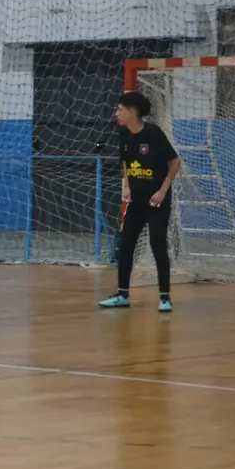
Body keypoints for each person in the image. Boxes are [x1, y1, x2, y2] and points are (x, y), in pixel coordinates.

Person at [99, 91, 180, 312]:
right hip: (136, 202)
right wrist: (126, 184)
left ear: (133, 112)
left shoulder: (153, 134)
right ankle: (122, 294)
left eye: (120, 109)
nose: (117, 113)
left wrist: (163, 191)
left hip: (156, 202)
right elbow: (125, 162)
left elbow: (174, 162)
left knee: (157, 244)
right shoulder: (124, 135)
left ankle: (165, 297)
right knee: (125, 246)